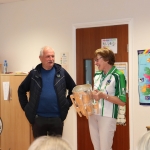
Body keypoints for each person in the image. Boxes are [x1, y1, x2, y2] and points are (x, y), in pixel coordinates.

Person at [18, 46, 76, 138]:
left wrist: (66, 104)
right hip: (38, 119)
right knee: (40, 147)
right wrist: (26, 107)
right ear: (40, 58)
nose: (51, 59)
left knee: (56, 147)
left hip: (57, 118)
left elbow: (74, 89)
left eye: (53, 56)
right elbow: (21, 90)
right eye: (48, 56)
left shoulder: (62, 73)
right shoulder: (34, 74)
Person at [88, 47, 126, 150]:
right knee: (96, 148)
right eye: (95, 60)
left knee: (105, 148)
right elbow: (95, 92)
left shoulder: (118, 75)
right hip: (93, 114)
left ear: (107, 59)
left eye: (97, 59)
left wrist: (104, 96)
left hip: (108, 116)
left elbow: (122, 101)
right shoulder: (97, 74)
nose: (95, 63)